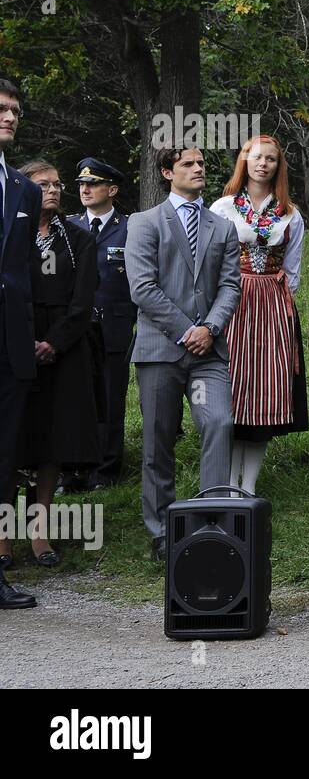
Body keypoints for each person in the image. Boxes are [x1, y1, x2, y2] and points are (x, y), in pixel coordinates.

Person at [125, 147, 240, 560]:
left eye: (202, 164)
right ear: (166, 171)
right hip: (160, 351)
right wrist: (185, 330)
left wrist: (209, 329)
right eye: (188, 164)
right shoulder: (144, 223)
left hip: (208, 353)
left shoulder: (221, 227)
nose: (198, 169)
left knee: (219, 423)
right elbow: (142, 288)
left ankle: (213, 522)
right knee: (158, 442)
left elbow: (230, 286)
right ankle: (161, 532)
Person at [209, 135, 308, 495]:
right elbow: (210, 261)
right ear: (244, 161)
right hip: (233, 302)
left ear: (278, 166)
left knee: (265, 390)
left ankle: (248, 486)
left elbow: (293, 269)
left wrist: (281, 304)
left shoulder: (289, 213)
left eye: (270, 158)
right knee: (233, 390)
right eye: (255, 157)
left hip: (272, 305)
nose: (262, 163)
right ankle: (227, 483)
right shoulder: (222, 208)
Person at [14, 161, 101, 564]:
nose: (52, 190)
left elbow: (83, 301)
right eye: (42, 184)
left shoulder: (78, 239)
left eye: (56, 184)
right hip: (13, 341)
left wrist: (53, 342)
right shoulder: (9, 231)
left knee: (51, 440)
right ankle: (2, 540)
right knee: (13, 440)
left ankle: (39, 534)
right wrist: (21, 336)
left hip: (64, 347)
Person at [68, 157, 136, 490]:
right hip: (75, 330)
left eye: (92, 184)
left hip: (114, 327)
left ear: (112, 189)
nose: (85, 189)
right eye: (81, 184)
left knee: (110, 400)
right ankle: (73, 470)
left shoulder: (131, 228)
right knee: (72, 400)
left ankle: (106, 470)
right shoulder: (68, 226)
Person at [0, 78, 42, 609]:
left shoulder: (25, 188)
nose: (10, 116)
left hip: (10, 342)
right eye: (1, 108)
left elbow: (25, 270)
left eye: (14, 109)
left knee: (3, 458)